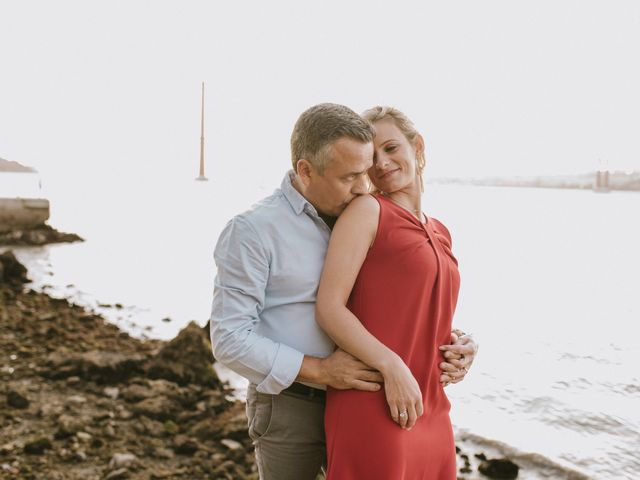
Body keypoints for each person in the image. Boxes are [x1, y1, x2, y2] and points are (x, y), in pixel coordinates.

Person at [210, 103, 476, 480]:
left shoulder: (368, 212)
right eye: (352, 176)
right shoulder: (254, 230)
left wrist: (458, 343)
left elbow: (393, 298)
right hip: (294, 401)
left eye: (364, 171)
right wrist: (322, 371)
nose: (365, 184)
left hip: (375, 394)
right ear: (306, 170)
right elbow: (229, 339)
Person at [316, 105, 466, 479]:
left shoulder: (442, 231)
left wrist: (463, 345)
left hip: (432, 406)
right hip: (376, 402)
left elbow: (420, 312)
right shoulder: (367, 211)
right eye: (371, 157)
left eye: (391, 148)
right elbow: (330, 308)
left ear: (418, 146)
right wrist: (391, 365)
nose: (381, 163)